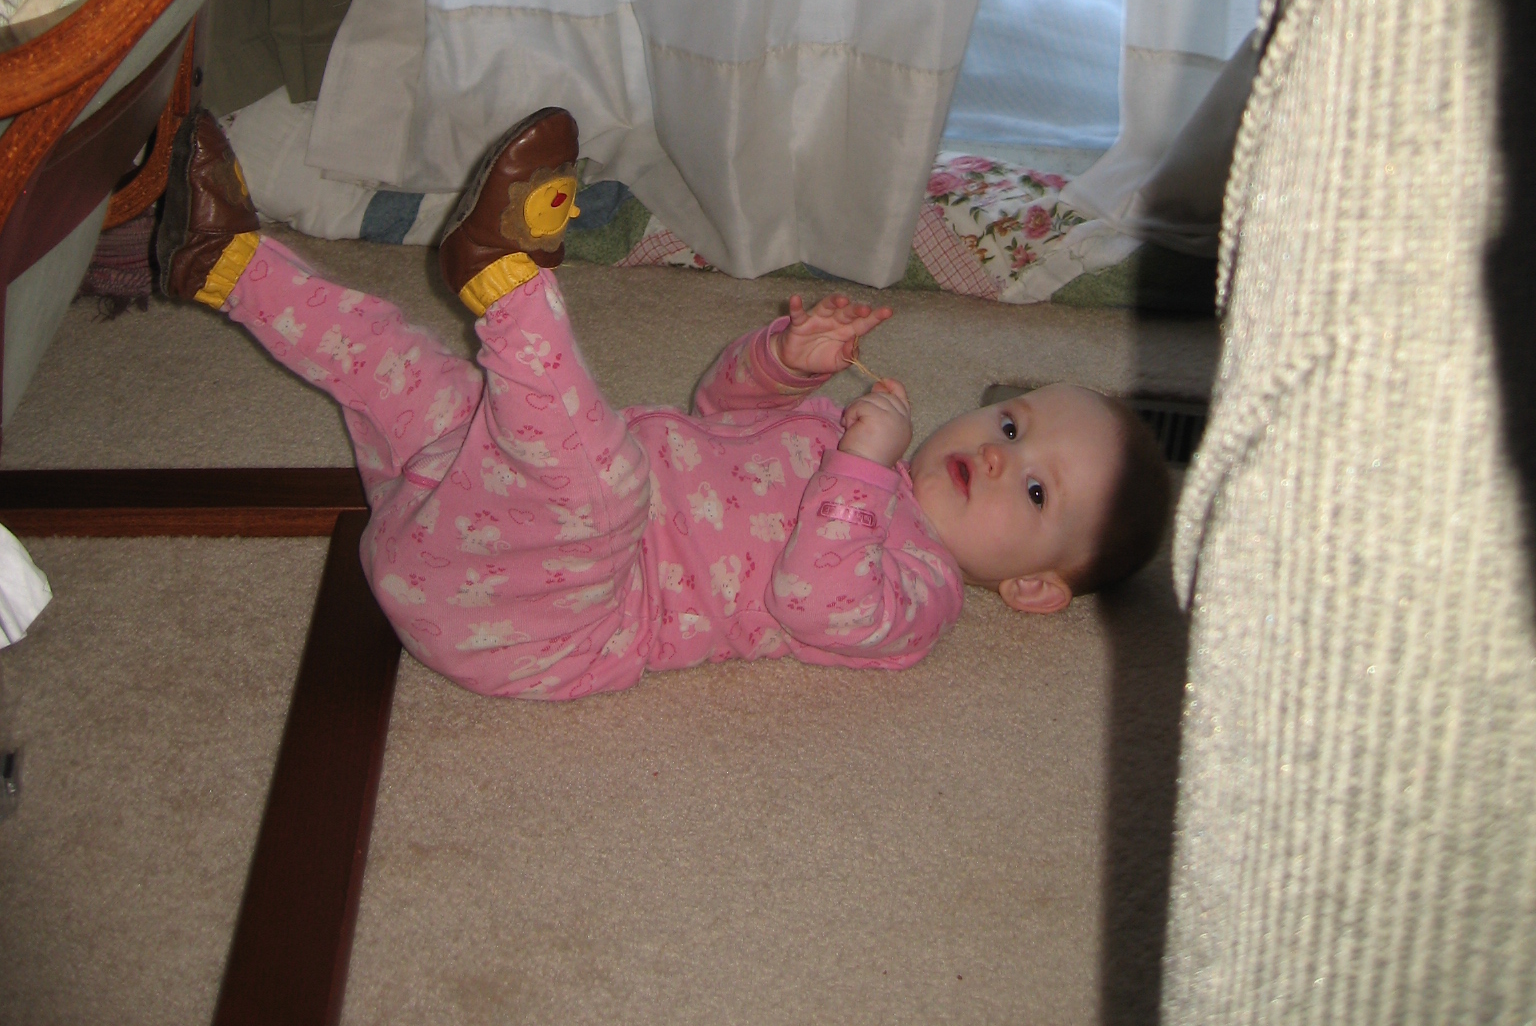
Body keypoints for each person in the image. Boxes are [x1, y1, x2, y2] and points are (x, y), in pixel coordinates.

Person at [158, 106, 1170, 701]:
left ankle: (511, 283)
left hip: (531, 616)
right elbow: (718, 410)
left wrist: (863, 469)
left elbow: (816, 596)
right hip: (462, 514)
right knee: (413, 372)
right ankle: (228, 261)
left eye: (1035, 490)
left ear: (1033, 588)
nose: (998, 455)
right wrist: (788, 362)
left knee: (601, 479)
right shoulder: (844, 431)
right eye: (1012, 424)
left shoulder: (921, 593)